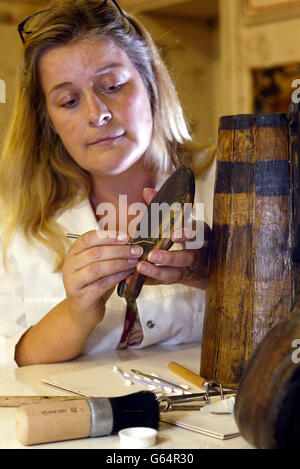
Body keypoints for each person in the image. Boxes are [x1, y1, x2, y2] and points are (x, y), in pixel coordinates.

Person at [0, 0, 212, 369]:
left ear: (150, 84)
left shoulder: (231, 183)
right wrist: (74, 314)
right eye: (68, 101)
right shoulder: (17, 226)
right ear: (48, 120)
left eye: (112, 85)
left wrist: (216, 271)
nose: (97, 114)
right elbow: (9, 362)